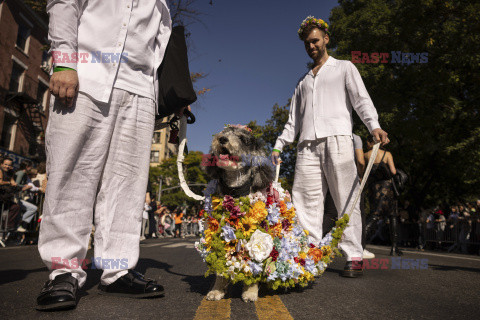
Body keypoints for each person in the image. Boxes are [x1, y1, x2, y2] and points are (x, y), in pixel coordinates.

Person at [36, 0, 173, 311]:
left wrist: (170, 94)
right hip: (85, 76)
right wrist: (65, 61)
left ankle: (117, 268)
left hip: (139, 90)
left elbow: (157, 46)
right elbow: (65, 4)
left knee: (128, 183)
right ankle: (64, 271)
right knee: (71, 175)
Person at [271, 16, 389, 278]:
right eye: (306, 43)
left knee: (345, 196)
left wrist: (374, 126)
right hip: (307, 146)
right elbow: (293, 121)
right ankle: (311, 253)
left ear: (326, 39)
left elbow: (361, 100)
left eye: (315, 40)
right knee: (305, 201)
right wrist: (279, 146)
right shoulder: (302, 82)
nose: (311, 46)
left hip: (338, 139)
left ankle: (354, 255)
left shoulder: (344, 68)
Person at [323, 134, 375, 259]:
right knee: (358, 212)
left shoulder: (327, 136)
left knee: (330, 213)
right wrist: (360, 175)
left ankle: (313, 243)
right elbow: (361, 161)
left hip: (330, 176)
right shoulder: (355, 137)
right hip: (350, 179)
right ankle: (359, 249)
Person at [364, 135, 402, 256]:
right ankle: (394, 248)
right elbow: (393, 172)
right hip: (387, 188)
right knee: (393, 216)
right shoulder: (387, 154)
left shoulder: (365, 155)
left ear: (370, 143)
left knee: (374, 214)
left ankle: (360, 241)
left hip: (374, 188)